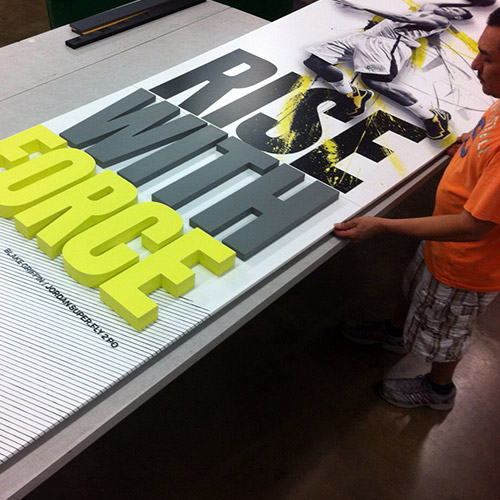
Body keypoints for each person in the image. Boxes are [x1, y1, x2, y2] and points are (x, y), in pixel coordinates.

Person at [333, 7, 500, 410]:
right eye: (480, 51)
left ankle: (438, 389)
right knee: (415, 289)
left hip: (467, 265)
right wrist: (464, 146)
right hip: (440, 242)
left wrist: (385, 226)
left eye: (489, 59)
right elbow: (483, 143)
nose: (476, 65)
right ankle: (394, 333)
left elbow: (473, 225)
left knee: (446, 330)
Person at [304, 1, 475, 139]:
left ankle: (431, 117)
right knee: (316, 62)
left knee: (374, 82)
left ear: (457, 17)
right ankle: (353, 95)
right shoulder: (430, 8)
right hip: (364, 37)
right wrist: (469, 3)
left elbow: (402, 18)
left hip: (387, 43)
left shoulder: (442, 21)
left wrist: (363, 7)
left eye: (456, 10)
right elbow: (438, 4)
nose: (452, 8)